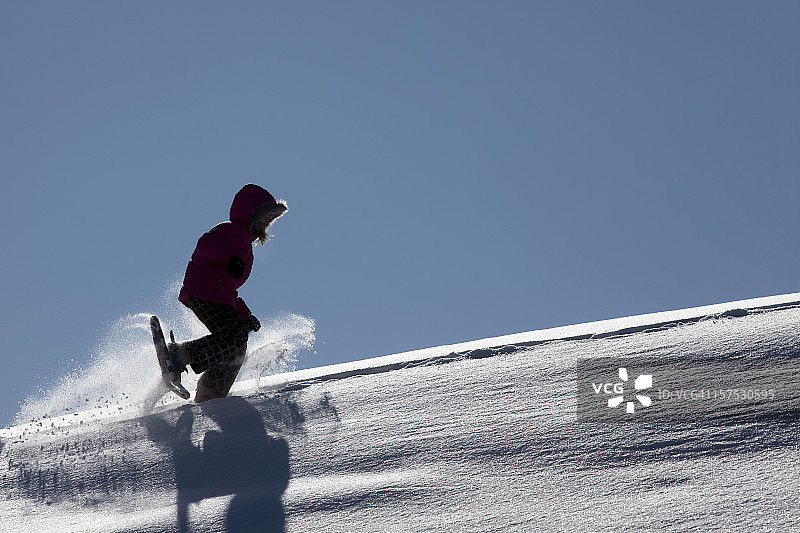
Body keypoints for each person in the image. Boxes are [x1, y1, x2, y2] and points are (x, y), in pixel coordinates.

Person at [167, 184, 288, 402]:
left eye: (271, 218)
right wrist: (230, 256)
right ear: (253, 214)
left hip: (217, 295)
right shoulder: (230, 230)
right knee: (234, 335)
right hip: (203, 290)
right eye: (265, 217)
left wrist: (244, 315)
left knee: (238, 346)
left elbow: (230, 289)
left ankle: (211, 390)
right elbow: (205, 244)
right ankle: (179, 354)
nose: (266, 223)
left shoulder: (247, 248)